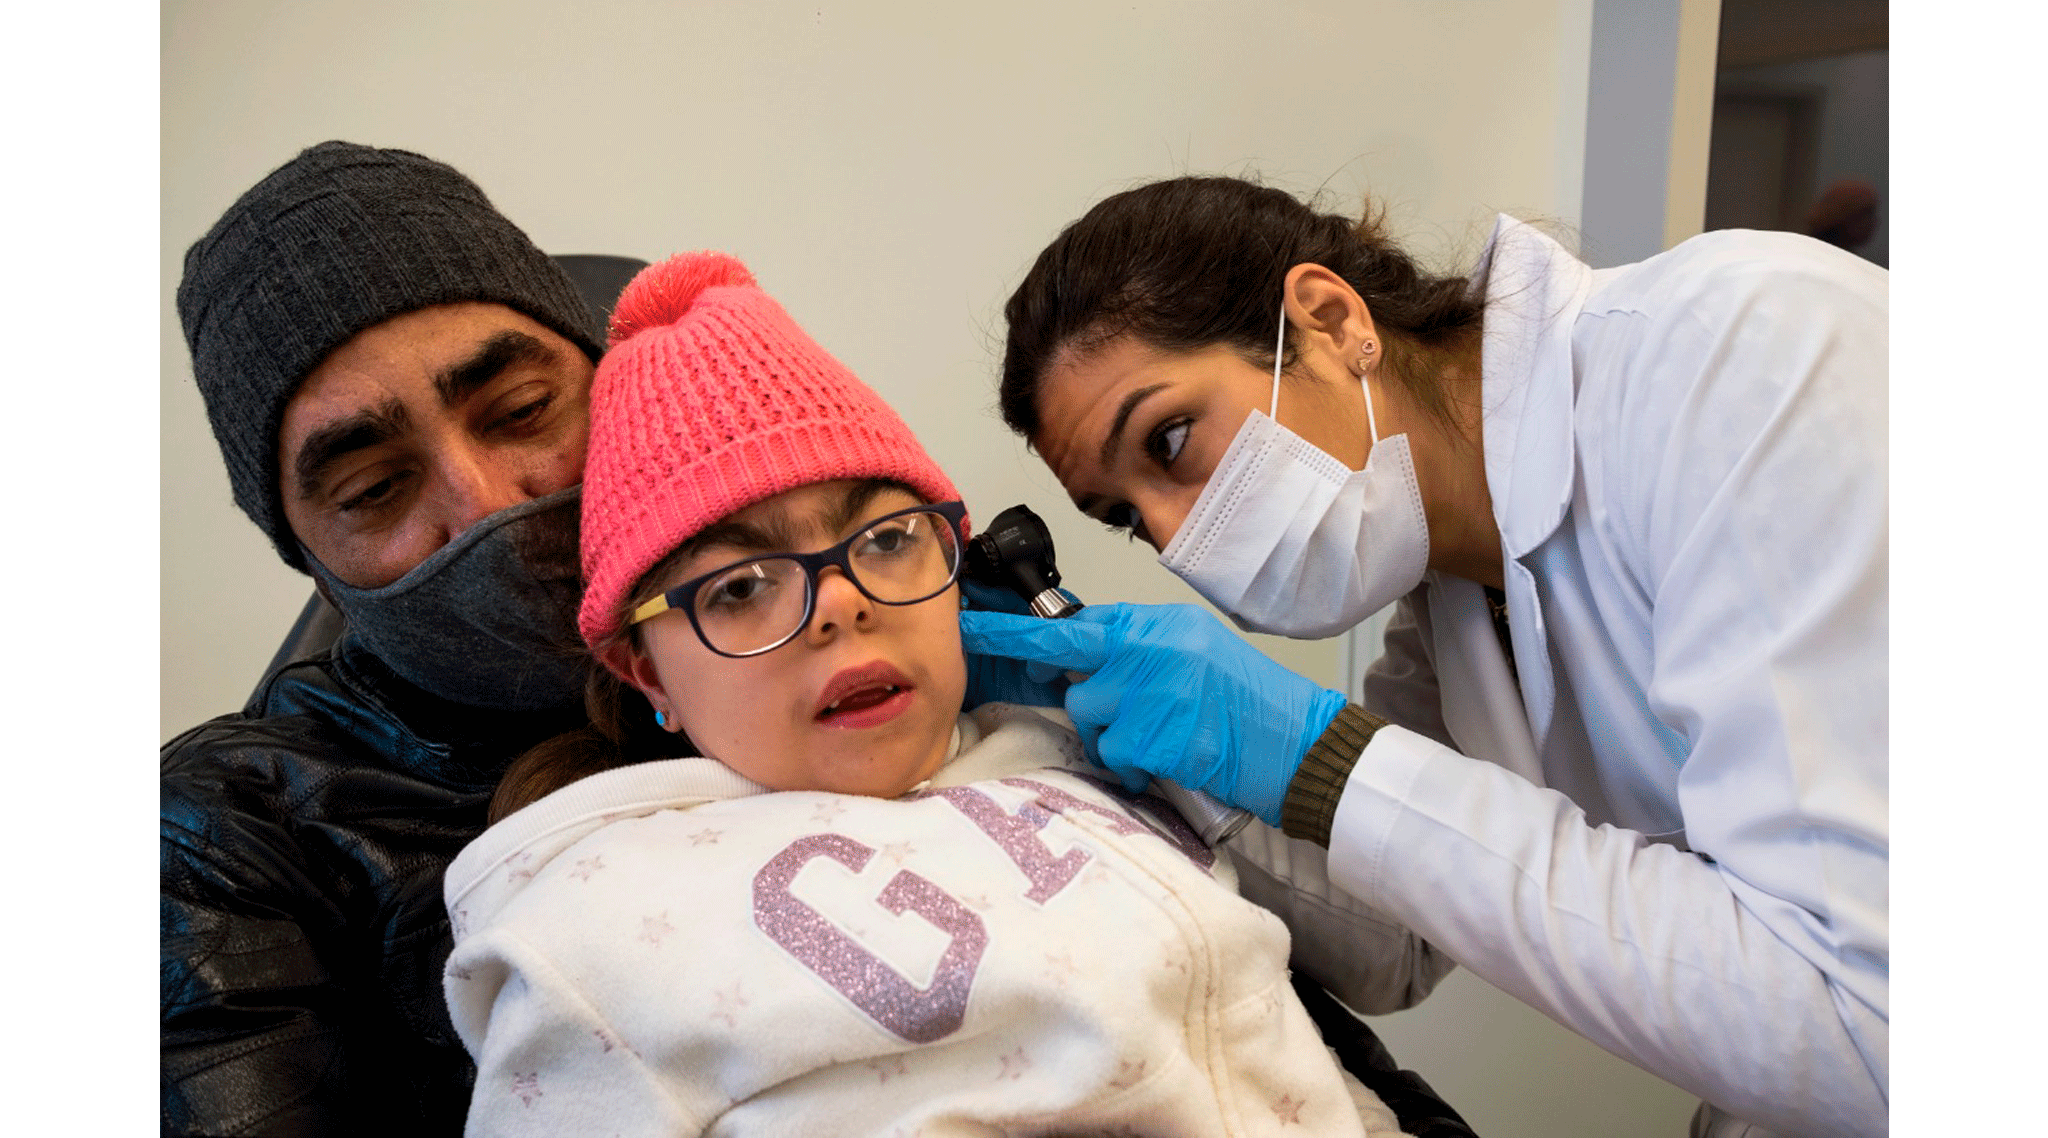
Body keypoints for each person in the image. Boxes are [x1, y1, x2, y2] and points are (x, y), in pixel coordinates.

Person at [962, 175, 1887, 1138]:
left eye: (1172, 439)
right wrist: (1137, 748)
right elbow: (1393, 942)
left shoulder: (1740, 355)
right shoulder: (1455, 595)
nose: (1177, 535)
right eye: (1127, 521)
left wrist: (1323, 758)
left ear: (1330, 319)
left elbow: (1875, 1024)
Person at [443, 251, 1432, 1137]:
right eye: (739, 587)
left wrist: (1284, 760)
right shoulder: (595, 932)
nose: (839, 604)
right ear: (647, 670)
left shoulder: (1076, 744)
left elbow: (1397, 949)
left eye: (883, 538)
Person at [162, 141, 612, 1135]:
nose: (486, 503)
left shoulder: (832, 621)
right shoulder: (221, 839)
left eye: (523, 411)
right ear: (311, 560)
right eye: (374, 488)